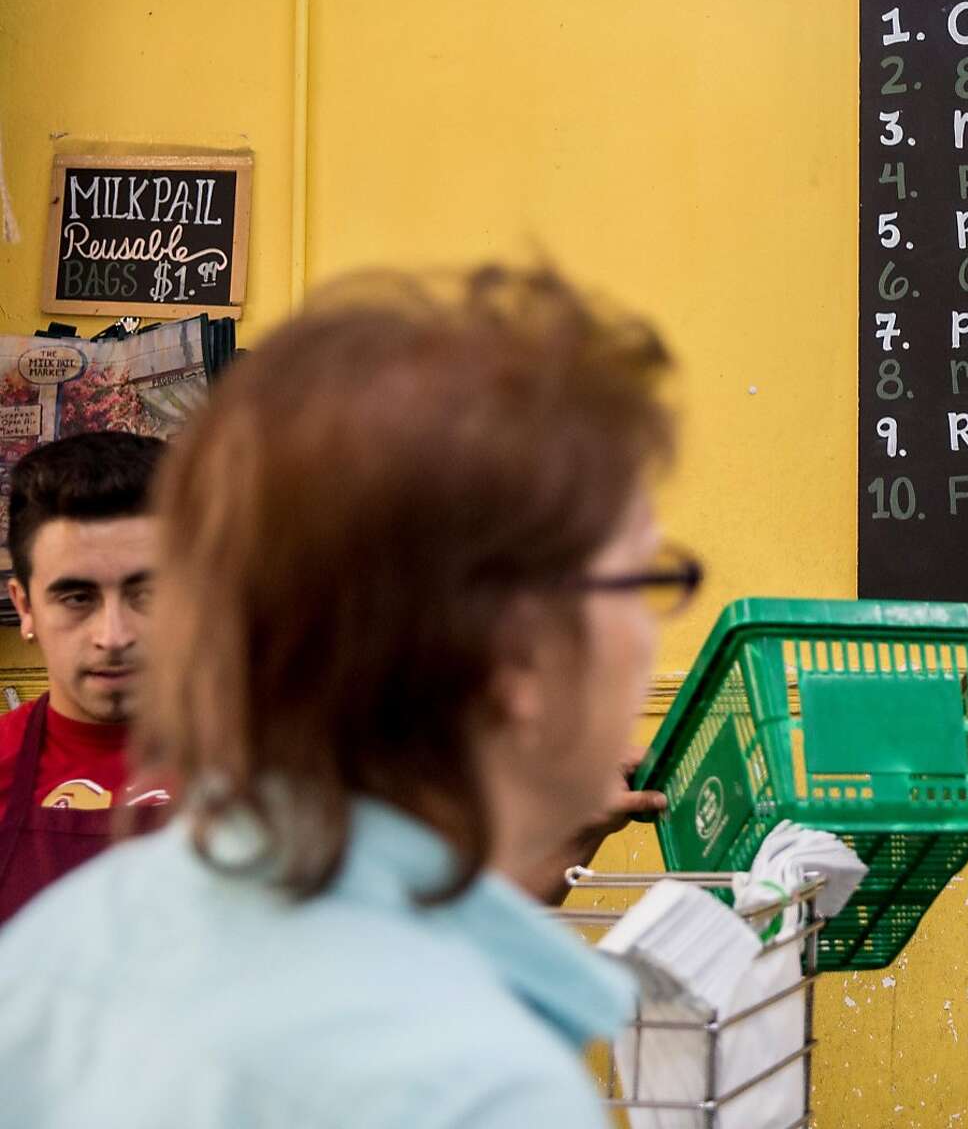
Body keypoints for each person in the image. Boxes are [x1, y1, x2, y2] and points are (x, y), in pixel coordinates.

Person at [0, 267, 695, 1128]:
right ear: (524, 649)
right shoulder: (481, 1091)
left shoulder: (49, 958)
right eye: (642, 580)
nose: (114, 634)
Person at [0, 432, 168, 924]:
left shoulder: (275, 773)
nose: (113, 636)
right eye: (77, 598)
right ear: (25, 607)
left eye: (147, 594)